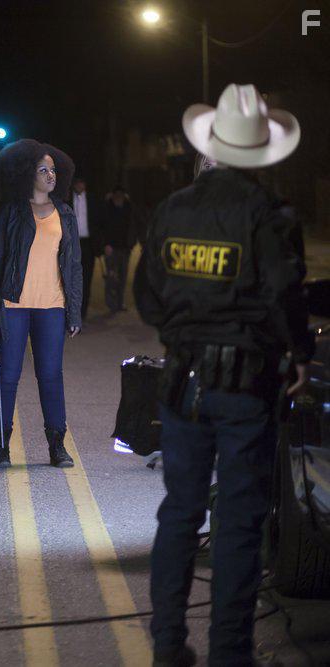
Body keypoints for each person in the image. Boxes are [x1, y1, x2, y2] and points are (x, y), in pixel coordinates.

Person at [134, 83, 310, 667]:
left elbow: (148, 297)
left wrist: (185, 331)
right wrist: (300, 356)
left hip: (183, 387)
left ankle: (166, 647)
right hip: (244, 389)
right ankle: (230, 654)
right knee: (236, 523)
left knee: (179, 514)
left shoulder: (171, 209)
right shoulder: (270, 216)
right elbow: (286, 301)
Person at [0, 139, 82, 468]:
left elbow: (73, 266)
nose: (50, 175)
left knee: (51, 376)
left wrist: (74, 311)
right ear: (27, 174)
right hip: (13, 305)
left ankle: (57, 445)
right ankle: (2, 446)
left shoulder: (65, 214)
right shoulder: (12, 213)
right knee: (8, 377)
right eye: (43, 170)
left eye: (53, 170)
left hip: (52, 307)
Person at [68, 176, 98, 322]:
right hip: (72, 244)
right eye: (77, 183)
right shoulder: (66, 200)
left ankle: (82, 311)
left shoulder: (93, 200)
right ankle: (71, 310)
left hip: (88, 244)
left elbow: (100, 223)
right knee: (71, 277)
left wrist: (101, 245)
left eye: (82, 182)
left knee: (86, 278)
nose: (80, 185)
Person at [102, 185, 135, 313]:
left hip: (125, 248)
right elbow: (102, 227)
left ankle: (120, 302)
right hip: (111, 248)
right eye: (117, 195)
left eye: (121, 195)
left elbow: (133, 226)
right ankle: (111, 303)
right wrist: (105, 244)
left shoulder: (129, 207)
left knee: (122, 277)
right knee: (111, 276)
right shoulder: (107, 208)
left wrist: (131, 244)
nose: (119, 198)